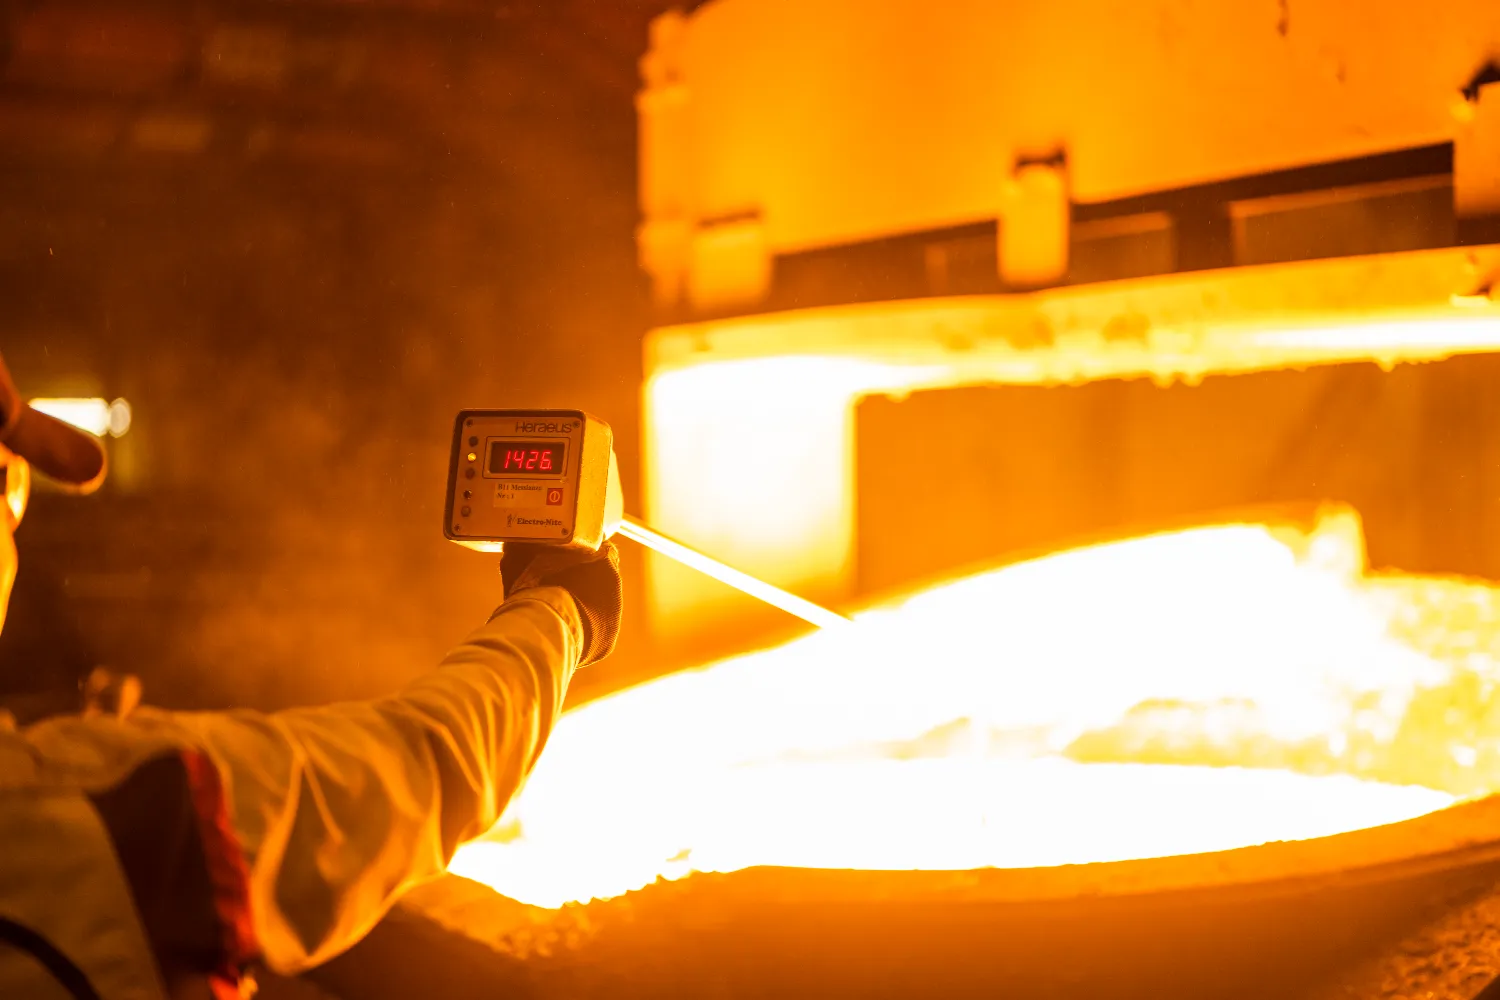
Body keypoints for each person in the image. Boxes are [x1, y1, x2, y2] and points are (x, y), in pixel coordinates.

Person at [0, 353, 623, 1000]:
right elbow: (427, 764)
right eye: (4, 487)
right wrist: (561, 605)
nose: (14, 517)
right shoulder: (99, 805)